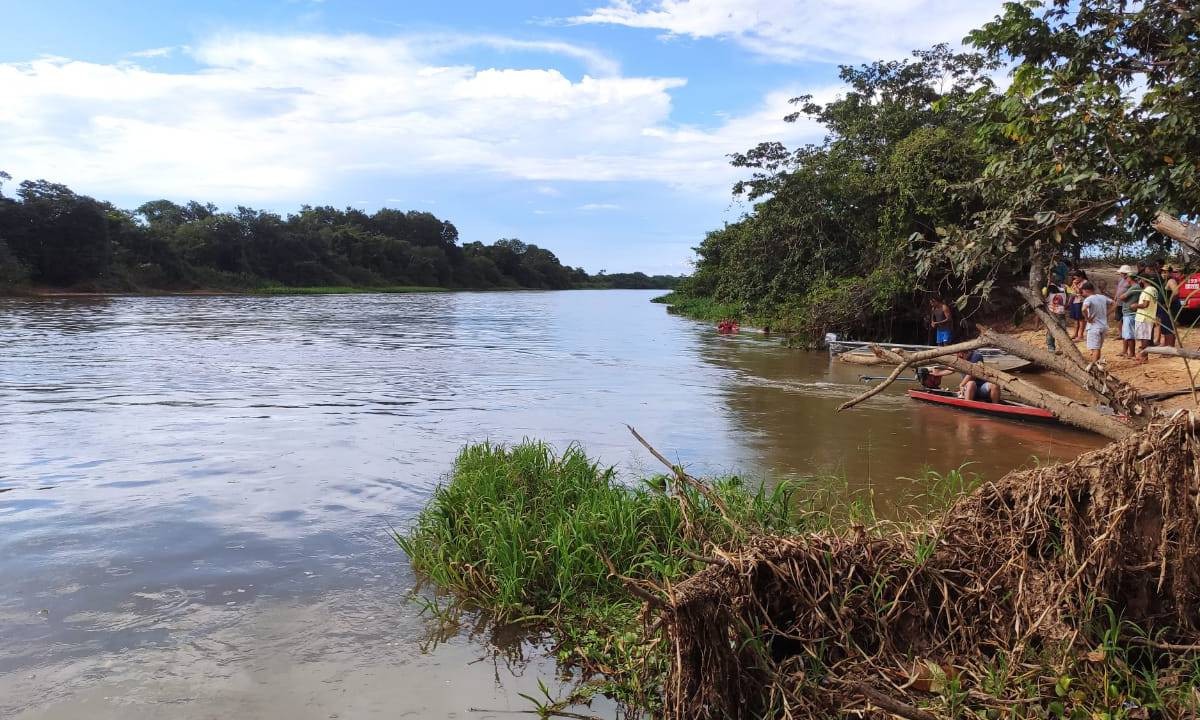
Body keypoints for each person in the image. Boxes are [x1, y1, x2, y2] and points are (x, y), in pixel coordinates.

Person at [1080, 281, 1111, 362]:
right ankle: (1097, 363)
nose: (1082, 293)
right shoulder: (1102, 297)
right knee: (1098, 347)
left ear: (1087, 290)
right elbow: (1114, 303)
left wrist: (1087, 318)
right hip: (1103, 326)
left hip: (1094, 327)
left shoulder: (1088, 299)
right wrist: (1107, 313)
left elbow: (1083, 309)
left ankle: (1094, 365)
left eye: (1082, 291)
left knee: (1095, 348)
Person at [1131, 273, 1160, 363]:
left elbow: (1145, 304)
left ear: (1143, 280)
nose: (1139, 281)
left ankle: (1144, 357)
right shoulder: (1154, 289)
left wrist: (1135, 305)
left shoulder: (1147, 290)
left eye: (1140, 279)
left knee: (1144, 338)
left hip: (1144, 317)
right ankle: (1142, 355)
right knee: (1146, 337)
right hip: (1149, 316)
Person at [1116, 265, 1140, 357]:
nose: (1126, 279)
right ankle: (1126, 351)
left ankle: (1131, 353)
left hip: (1130, 312)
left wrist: (1121, 297)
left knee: (1129, 334)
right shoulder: (1132, 287)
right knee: (1126, 333)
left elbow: (1122, 297)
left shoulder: (1134, 287)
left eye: (1127, 278)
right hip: (1126, 311)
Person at [1044, 280, 1068, 352]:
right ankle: (1055, 347)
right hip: (1058, 314)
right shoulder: (1062, 292)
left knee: (1052, 332)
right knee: (1060, 331)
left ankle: (1052, 348)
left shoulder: (1048, 295)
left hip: (1055, 315)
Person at [1066, 270, 1087, 340]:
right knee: (1076, 319)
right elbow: (1071, 292)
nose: (1075, 279)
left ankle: (1080, 335)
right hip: (1074, 301)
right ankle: (1075, 334)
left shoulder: (1085, 282)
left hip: (1080, 301)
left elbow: (1080, 292)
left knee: (1081, 319)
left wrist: (1075, 284)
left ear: (1081, 277)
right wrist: (1069, 302)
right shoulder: (1075, 282)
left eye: (1076, 278)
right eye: (1074, 278)